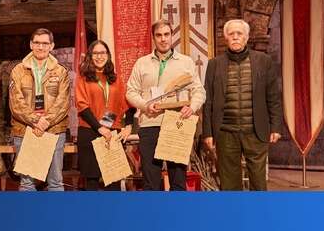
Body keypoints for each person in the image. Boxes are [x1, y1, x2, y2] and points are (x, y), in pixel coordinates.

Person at [202, 19, 282, 191]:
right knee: (229, 183)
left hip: (255, 131)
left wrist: (275, 126)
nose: (235, 37)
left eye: (239, 34)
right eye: (231, 34)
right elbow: (207, 101)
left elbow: (273, 97)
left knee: (258, 182)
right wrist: (207, 132)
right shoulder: (214, 64)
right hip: (225, 132)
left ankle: (258, 215)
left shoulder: (263, 61)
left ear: (246, 37)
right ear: (226, 38)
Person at [126, 20, 206, 191]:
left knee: (178, 179)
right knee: (151, 180)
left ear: (172, 36)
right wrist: (145, 106)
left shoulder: (185, 62)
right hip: (150, 125)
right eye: (159, 35)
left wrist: (192, 107)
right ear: (153, 38)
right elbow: (130, 92)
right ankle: (153, 217)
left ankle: (177, 217)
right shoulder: (142, 63)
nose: (163, 39)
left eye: (166, 34)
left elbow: (199, 91)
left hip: (177, 124)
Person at [9, 28, 70, 191]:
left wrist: (46, 121)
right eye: (37, 43)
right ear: (31, 45)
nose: (40, 47)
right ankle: (28, 217)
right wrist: (36, 121)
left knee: (55, 182)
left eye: (45, 43)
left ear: (52, 46)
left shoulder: (61, 71)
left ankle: (56, 217)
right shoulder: (17, 70)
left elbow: (63, 103)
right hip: (25, 130)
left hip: (54, 130)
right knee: (27, 183)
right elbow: (16, 103)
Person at [75, 40, 135, 191]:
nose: (99, 56)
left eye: (102, 53)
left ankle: (112, 214)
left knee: (113, 182)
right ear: (90, 56)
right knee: (92, 182)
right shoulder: (83, 78)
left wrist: (128, 125)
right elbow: (82, 106)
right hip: (89, 131)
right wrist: (99, 128)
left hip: (112, 132)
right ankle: (93, 214)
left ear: (108, 55)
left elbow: (127, 104)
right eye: (95, 53)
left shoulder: (115, 79)